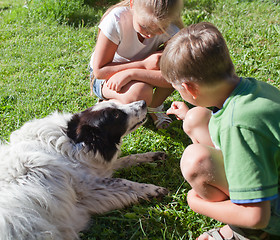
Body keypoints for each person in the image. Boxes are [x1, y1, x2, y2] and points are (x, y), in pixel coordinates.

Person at [160, 22, 280, 239]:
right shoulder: (254, 90)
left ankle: (248, 233)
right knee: (196, 118)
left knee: (195, 161)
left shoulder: (238, 125)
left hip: (266, 211)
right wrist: (189, 115)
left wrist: (195, 203)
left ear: (189, 88)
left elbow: (257, 216)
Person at [89, 0, 184, 129]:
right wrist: (143, 64)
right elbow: (99, 71)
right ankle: (110, 103)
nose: (150, 34)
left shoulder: (172, 28)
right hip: (108, 76)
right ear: (132, 5)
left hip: (138, 74)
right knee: (141, 93)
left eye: (160, 29)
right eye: (144, 26)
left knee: (174, 66)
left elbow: (178, 77)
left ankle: (154, 106)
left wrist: (132, 73)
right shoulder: (117, 19)